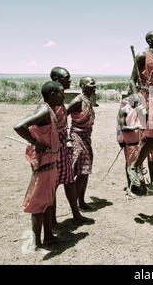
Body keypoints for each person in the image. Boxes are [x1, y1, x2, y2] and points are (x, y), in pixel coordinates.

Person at [13, 81, 65, 248]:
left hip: (50, 164)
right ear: (51, 94)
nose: (64, 96)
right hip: (44, 164)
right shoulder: (43, 110)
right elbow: (19, 126)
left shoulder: (48, 110)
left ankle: (49, 235)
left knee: (47, 201)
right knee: (38, 203)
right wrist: (35, 142)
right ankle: (37, 241)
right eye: (61, 93)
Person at [49, 67, 93, 227]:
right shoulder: (48, 103)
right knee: (52, 186)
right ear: (56, 79)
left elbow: (62, 123)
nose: (69, 81)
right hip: (56, 149)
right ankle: (51, 222)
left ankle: (76, 214)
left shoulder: (59, 101)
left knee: (69, 181)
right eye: (66, 78)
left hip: (64, 147)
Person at [128, 30, 153, 183]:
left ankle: (136, 166)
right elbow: (131, 81)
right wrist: (138, 105)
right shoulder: (142, 56)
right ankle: (135, 166)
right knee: (151, 136)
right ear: (148, 41)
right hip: (145, 96)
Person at [67, 77, 96, 210]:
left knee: (84, 171)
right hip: (77, 137)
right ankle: (75, 203)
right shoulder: (78, 100)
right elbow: (63, 116)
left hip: (86, 138)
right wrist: (67, 138)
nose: (94, 86)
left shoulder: (89, 100)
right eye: (91, 84)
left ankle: (81, 201)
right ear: (83, 86)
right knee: (75, 170)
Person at [118, 93, 147, 197]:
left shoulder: (139, 110)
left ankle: (139, 187)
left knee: (139, 165)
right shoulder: (124, 110)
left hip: (139, 143)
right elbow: (122, 127)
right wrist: (136, 127)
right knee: (130, 166)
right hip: (130, 144)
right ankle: (129, 188)